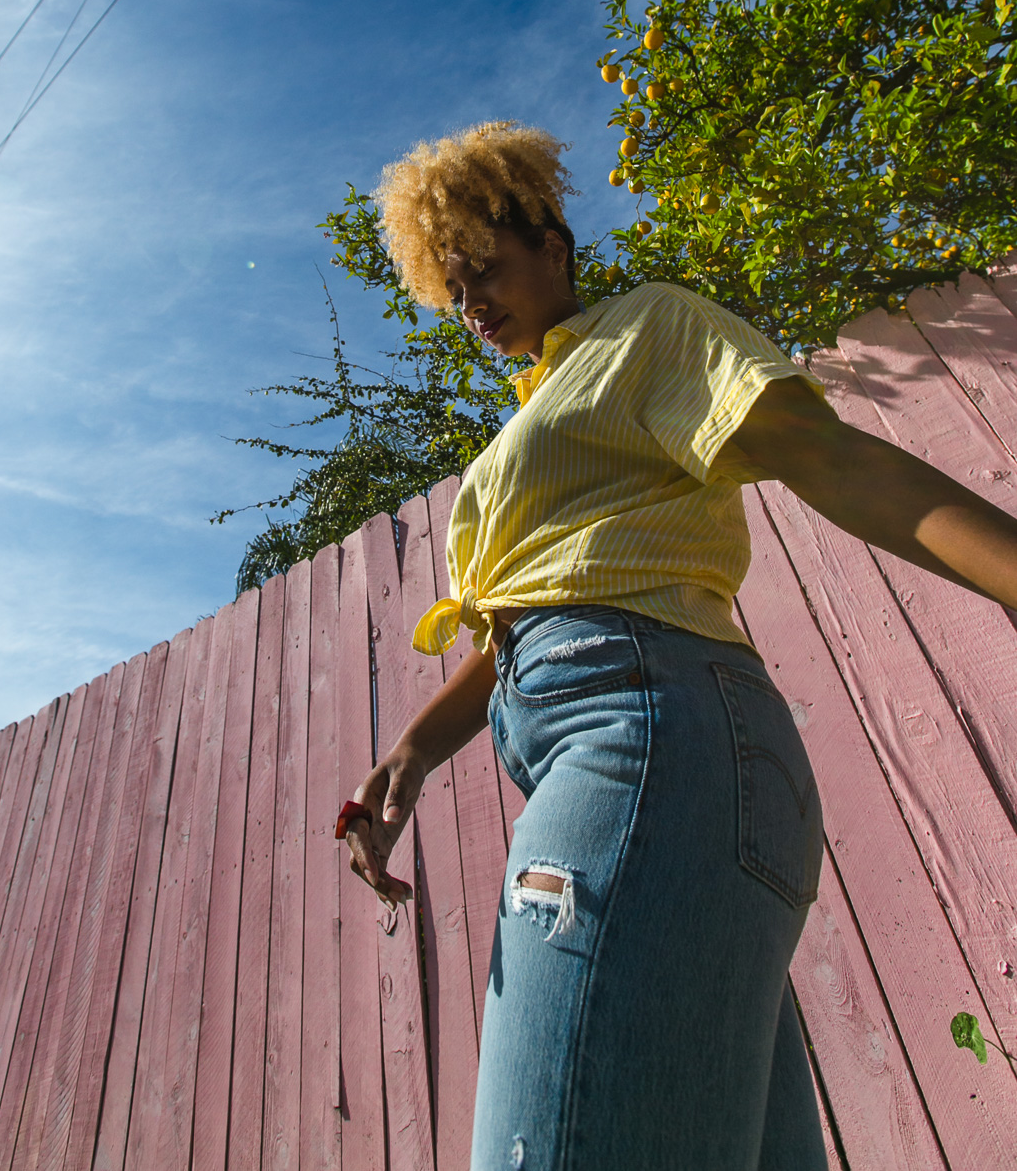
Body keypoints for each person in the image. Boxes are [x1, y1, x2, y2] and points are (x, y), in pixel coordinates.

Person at [339, 121, 1017, 1171]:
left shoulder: (645, 330)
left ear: (553, 245)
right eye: (453, 287)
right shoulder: (545, 407)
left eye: (487, 270)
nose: (471, 303)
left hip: (644, 742)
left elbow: (827, 459)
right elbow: (535, 614)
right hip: (655, 762)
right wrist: (413, 754)